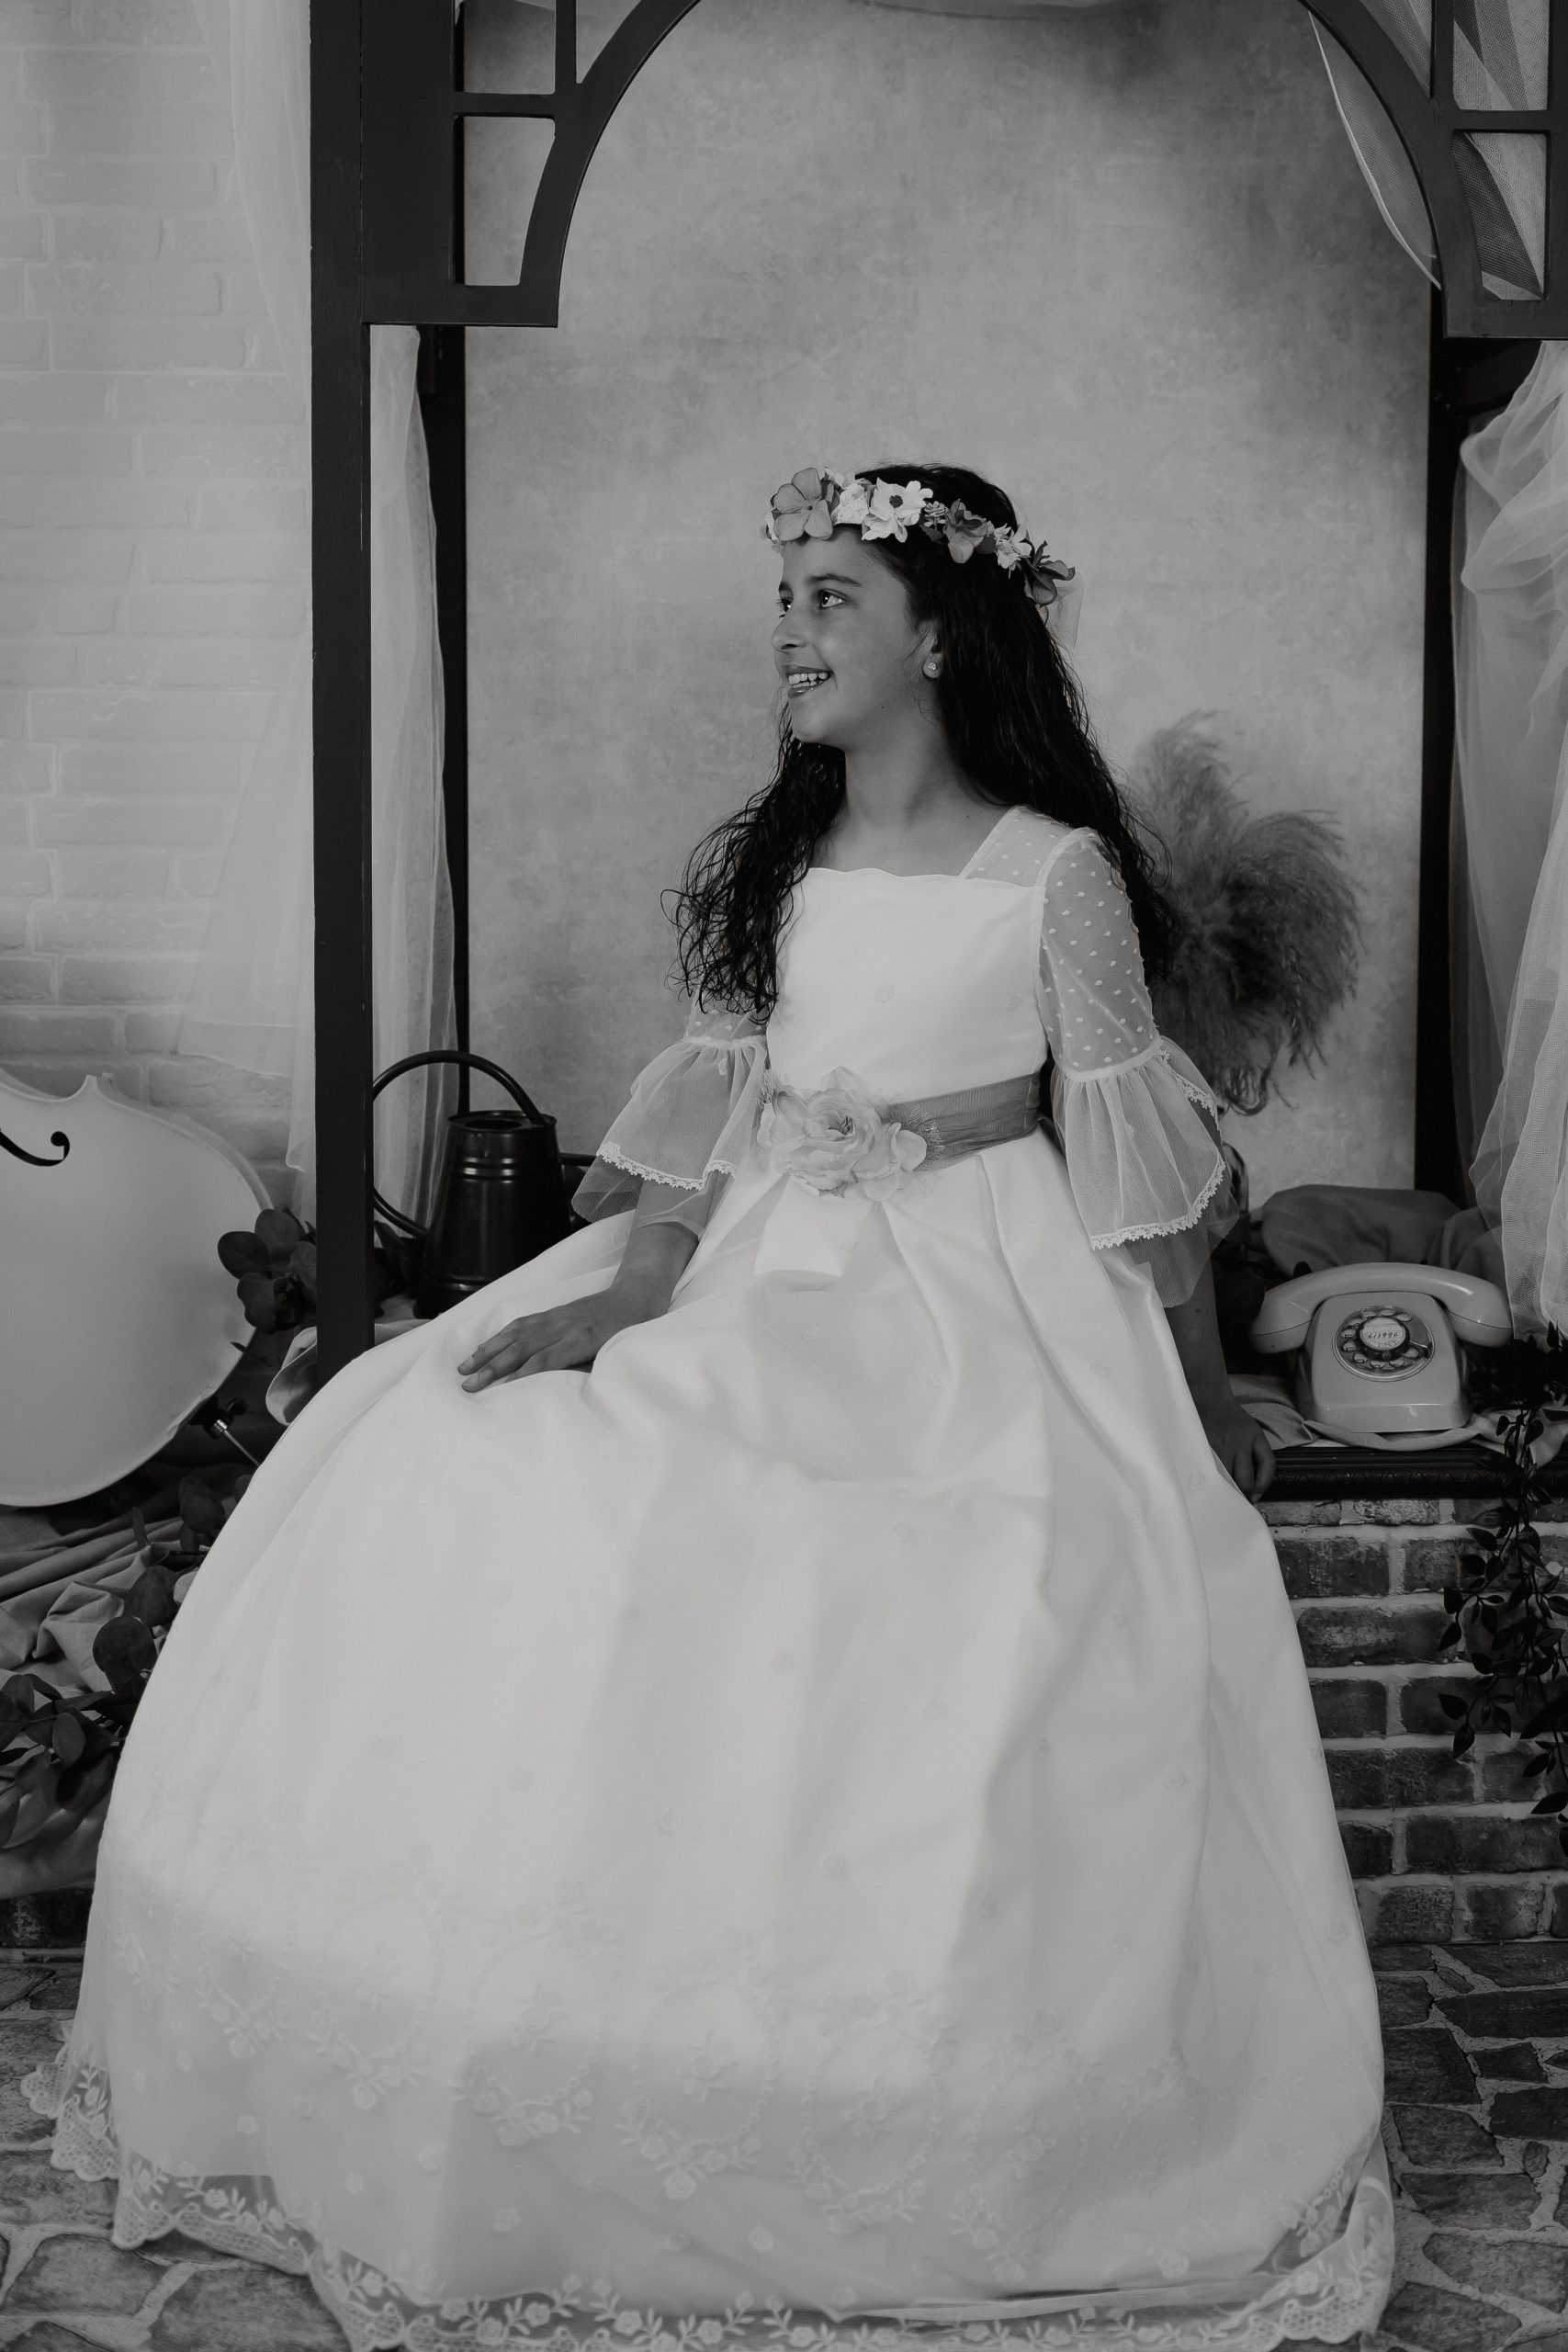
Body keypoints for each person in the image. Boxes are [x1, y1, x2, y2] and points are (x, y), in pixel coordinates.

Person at [27, 463, 1393, 2351]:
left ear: (940, 633)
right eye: (786, 598)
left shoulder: (1050, 873)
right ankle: (519, 2013)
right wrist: (627, 1295)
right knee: (456, 1438)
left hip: (974, 1282)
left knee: (943, 1558)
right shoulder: (780, 862)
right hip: (770, 1250)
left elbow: (1131, 1160)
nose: (791, 633)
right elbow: (716, 1121)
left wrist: (1203, 1394)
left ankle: (899, 2077)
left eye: (832, 597)